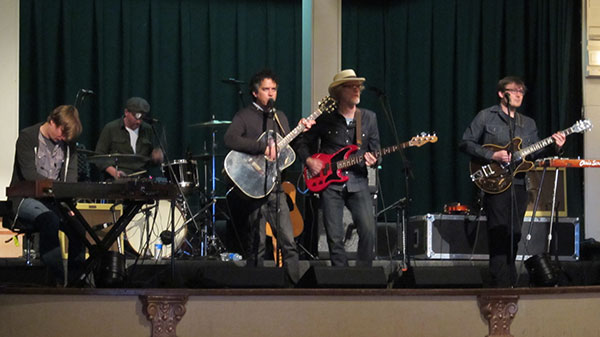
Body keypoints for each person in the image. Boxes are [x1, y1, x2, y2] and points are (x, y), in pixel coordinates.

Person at [460, 76, 566, 287]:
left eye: (522, 92)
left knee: (515, 233)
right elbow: (465, 143)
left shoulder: (527, 123)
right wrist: (493, 156)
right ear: (502, 94)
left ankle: (508, 282)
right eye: (514, 91)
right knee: (499, 232)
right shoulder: (486, 117)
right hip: (495, 182)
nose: (519, 95)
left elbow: (534, 154)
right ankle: (501, 284)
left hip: (519, 184)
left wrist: (556, 146)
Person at [224, 69, 314, 284]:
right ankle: (254, 287)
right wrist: (262, 147)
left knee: (288, 240)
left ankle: (294, 287)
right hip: (253, 188)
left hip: (275, 186)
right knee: (257, 244)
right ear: (255, 93)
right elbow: (230, 139)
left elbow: (290, 146)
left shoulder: (280, 116)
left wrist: (303, 131)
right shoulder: (244, 116)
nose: (271, 94)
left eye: (274, 89)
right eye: (266, 89)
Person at [296, 69, 380, 267]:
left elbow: (376, 151)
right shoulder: (325, 118)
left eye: (358, 86)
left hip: (358, 182)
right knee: (334, 237)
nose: (356, 90)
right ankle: (340, 278)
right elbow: (300, 143)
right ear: (339, 92)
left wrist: (373, 159)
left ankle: (364, 276)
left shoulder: (368, 118)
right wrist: (309, 161)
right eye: (351, 87)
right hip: (329, 184)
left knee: (368, 230)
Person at [8, 105, 85, 286]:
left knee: (78, 228)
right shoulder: (28, 137)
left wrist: (67, 202)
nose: (64, 139)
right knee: (49, 220)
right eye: (62, 133)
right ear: (52, 121)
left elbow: (70, 179)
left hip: (55, 200)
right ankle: (56, 281)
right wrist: (59, 190)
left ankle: (77, 281)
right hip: (26, 198)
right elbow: (29, 176)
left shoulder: (68, 145)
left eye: (67, 137)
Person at [95, 97, 163, 179]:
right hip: (117, 181)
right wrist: (114, 172)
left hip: (142, 179)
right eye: (136, 117)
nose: (139, 121)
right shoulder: (111, 128)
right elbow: (99, 157)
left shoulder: (148, 129)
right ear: (126, 112)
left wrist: (156, 158)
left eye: (142, 118)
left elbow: (151, 161)